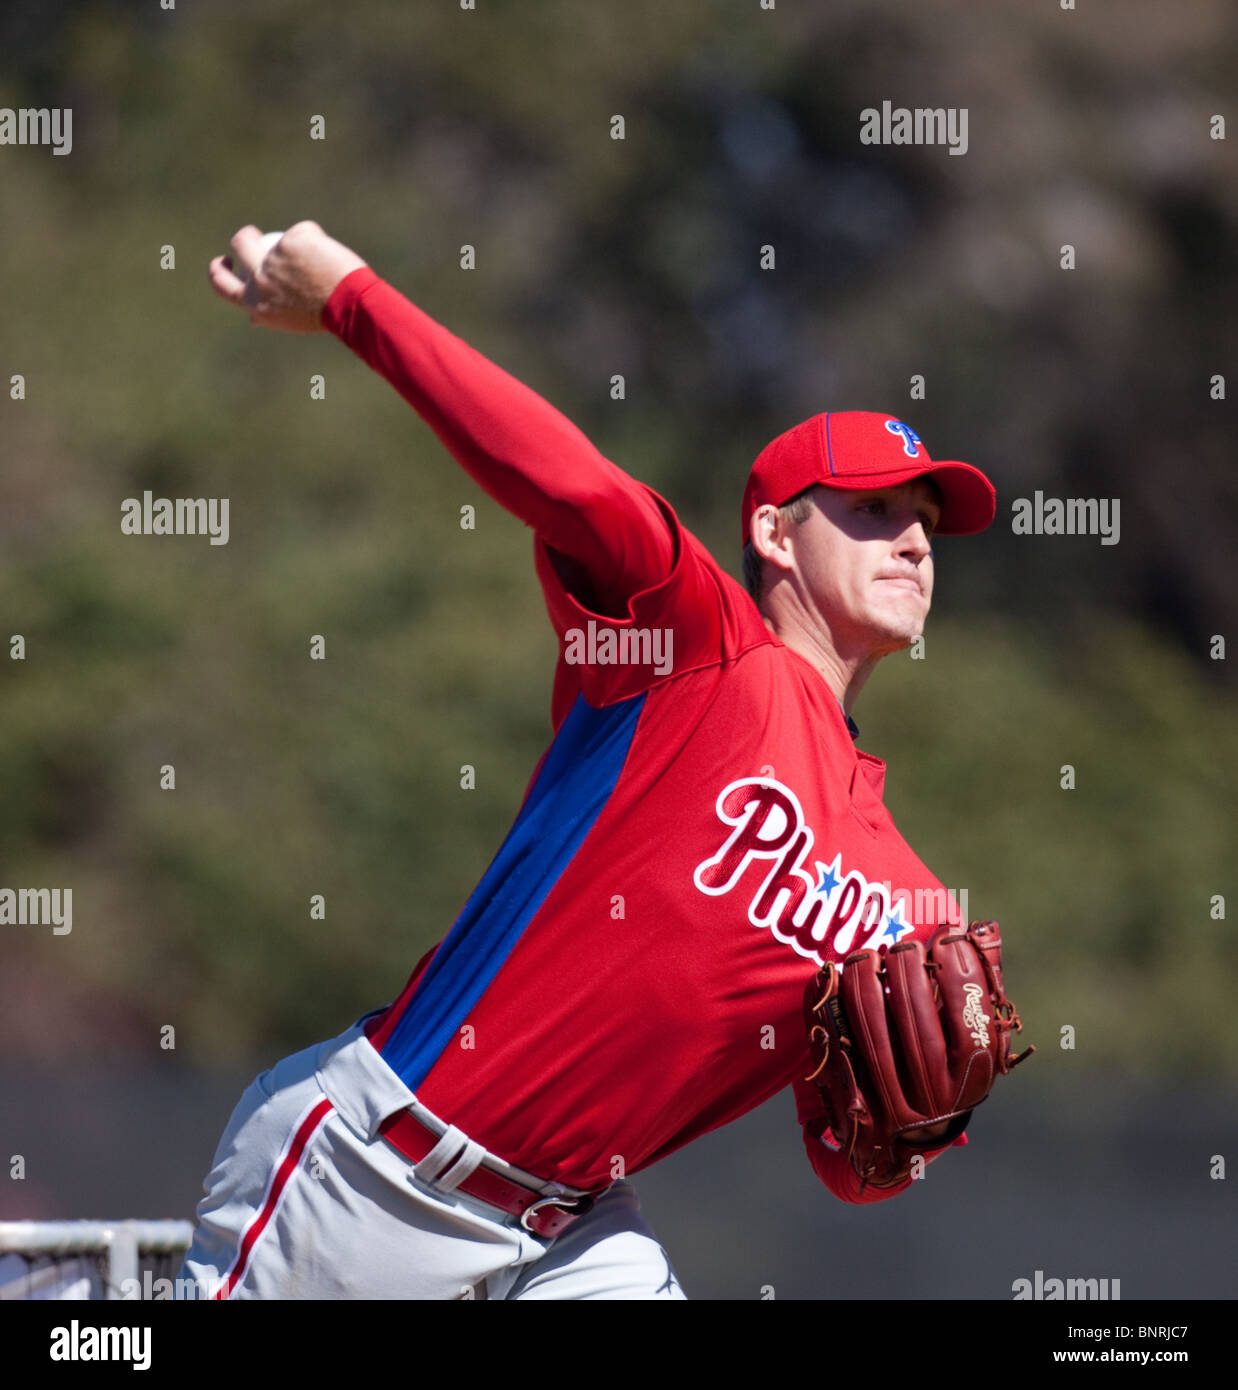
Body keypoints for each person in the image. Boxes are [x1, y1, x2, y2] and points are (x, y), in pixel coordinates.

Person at [179, 220, 1000, 1300]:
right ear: (771, 536)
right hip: (378, 1176)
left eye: (925, 524)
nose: (911, 541)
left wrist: (924, 1122)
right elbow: (565, 480)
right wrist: (349, 296)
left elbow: (847, 1170)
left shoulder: (912, 904)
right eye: (873, 510)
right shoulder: (693, 649)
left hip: (573, 1238)